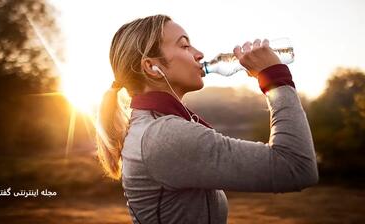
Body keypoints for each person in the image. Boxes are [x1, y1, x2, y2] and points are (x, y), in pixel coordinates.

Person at [96, 14, 319, 224]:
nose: (199, 53)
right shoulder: (163, 134)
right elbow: (295, 167)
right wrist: (275, 78)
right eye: (184, 45)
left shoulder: (156, 126)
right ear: (152, 67)